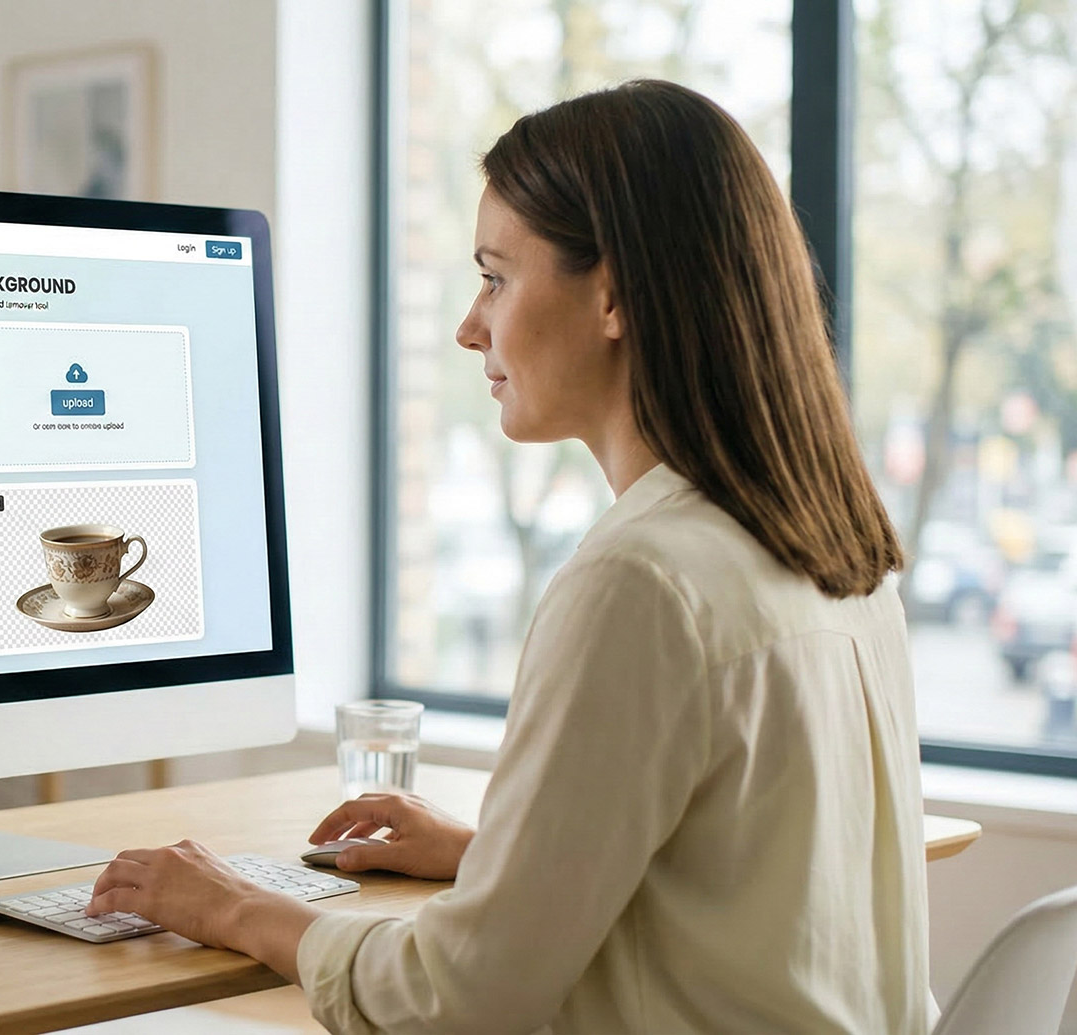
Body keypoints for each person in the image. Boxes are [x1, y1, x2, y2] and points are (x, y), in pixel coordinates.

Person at [85, 80, 928, 1034]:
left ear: (613, 294)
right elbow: (744, 878)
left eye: (495, 277)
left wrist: (234, 906)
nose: (469, 326)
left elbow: (458, 999)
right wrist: (499, 858)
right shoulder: (835, 550)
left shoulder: (641, 581)